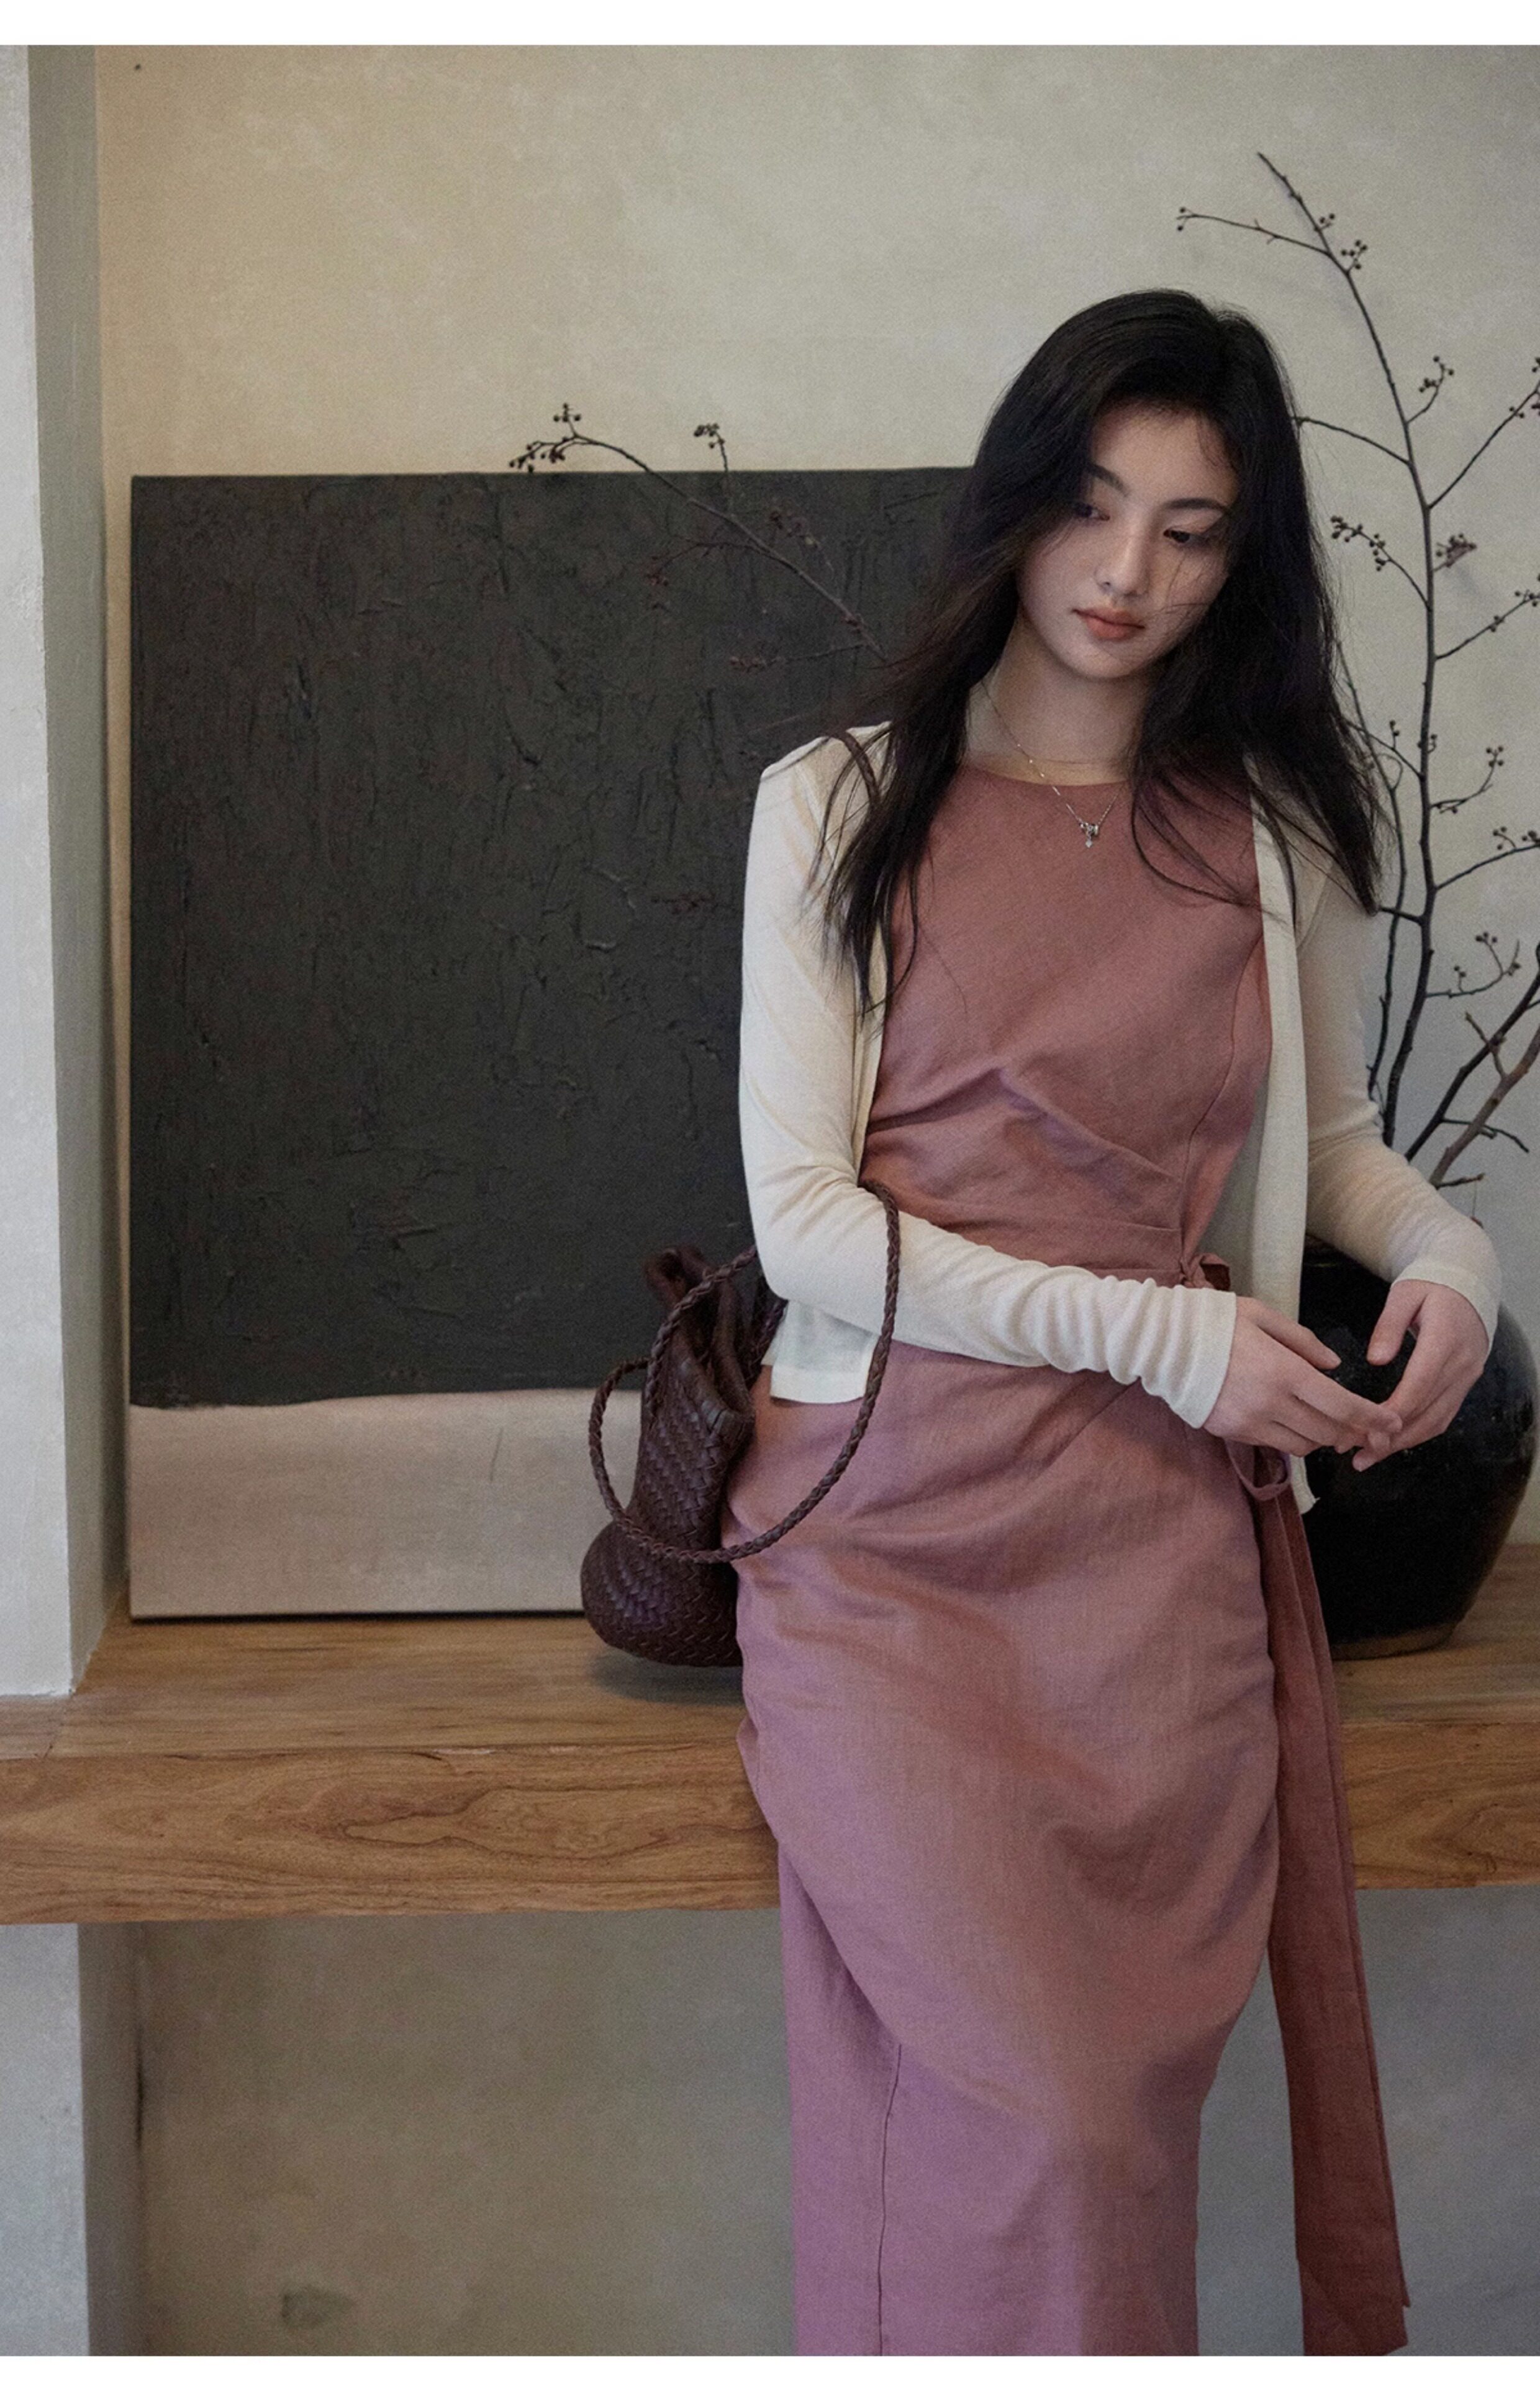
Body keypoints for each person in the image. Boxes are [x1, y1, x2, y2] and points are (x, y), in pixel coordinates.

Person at [717, 288, 1502, 2358]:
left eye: (1191, 526)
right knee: (1039, 2116)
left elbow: (1331, 1152)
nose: (1126, 569)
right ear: (1016, 501)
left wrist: (1456, 1266)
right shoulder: (838, 803)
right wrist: (1163, 1339)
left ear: (1247, 561)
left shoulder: (1268, 830)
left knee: (1120, 2137)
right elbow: (807, 1227)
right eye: (1089, 503)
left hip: (1157, 1564)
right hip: (892, 1545)